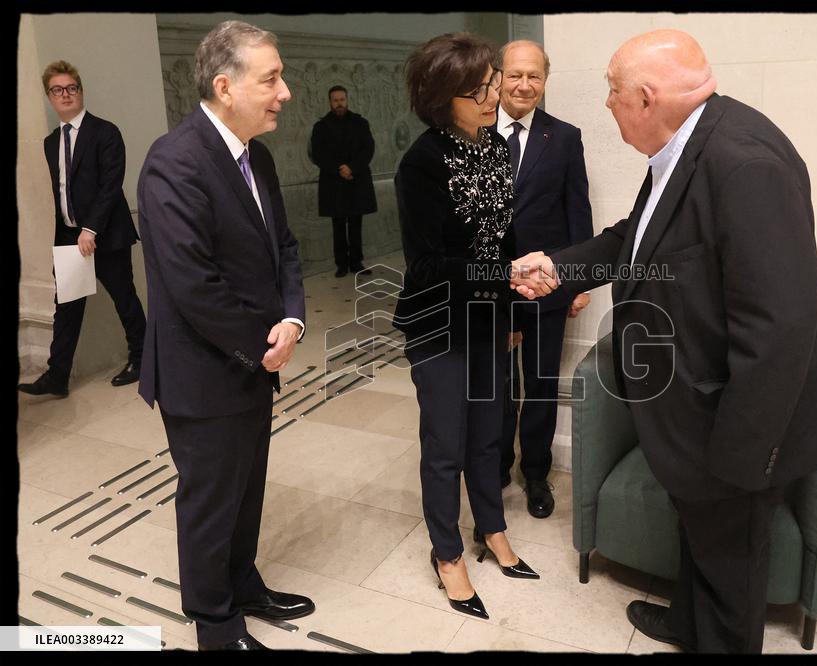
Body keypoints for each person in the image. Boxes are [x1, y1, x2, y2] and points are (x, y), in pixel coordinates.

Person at [511, 29, 817, 653]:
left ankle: (714, 637)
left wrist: (739, 462)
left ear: (645, 97)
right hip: (697, 410)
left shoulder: (743, 163)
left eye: (612, 93)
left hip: (739, 424)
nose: (607, 105)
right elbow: (634, 237)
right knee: (702, 538)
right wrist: (562, 267)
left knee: (730, 561)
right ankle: (688, 622)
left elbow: (780, 328)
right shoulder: (686, 145)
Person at [136, 21, 313, 650]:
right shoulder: (174, 162)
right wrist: (262, 345)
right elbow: (194, 287)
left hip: (253, 359)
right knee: (211, 501)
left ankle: (242, 582)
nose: (285, 92)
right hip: (204, 370)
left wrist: (291, 321)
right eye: (271, 78)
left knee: (247, 487)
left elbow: (283, 251)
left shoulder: (255, 156)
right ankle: (215, 622)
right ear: (224, 85)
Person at [393, 32, 540, 621]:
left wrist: (512, 295)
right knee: (445, 443)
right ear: (441, 96)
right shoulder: (421, 164)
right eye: (476, 89)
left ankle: (492, 527)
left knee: (489, 429)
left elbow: (502, 235)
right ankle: (447, 552)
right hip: (439, 319)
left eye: (491, 83)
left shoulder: (493, 148)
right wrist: (501, 271)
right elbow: (427, 263)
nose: (492, 95)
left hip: (490, 314)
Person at [494, 40, 594, 518]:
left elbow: (579, 213)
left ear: (545, 80)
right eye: (515, 75)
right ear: (498, 77)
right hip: (488, 288)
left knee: (538, 384)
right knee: (492, 384)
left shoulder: (565, 137)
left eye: (533, 76)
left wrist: (577, 283)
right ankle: (494, 466)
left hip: (547, 287)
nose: (524, 85)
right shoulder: (472, 134)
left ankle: (536, 473)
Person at [18, 60, 147, 397]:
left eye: (71, 88)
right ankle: (57, 376)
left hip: (106, 234)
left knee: (124, 298)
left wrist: (90, 229)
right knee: (67, 306)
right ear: (50, 96)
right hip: (69, 236)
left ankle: (143, 358)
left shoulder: (106, 132)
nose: (65, 95)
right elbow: (63, 192)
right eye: (58, 90)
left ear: (80, 91)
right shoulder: (50, 143)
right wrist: (69, 233)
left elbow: (110, 185)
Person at [309, 84, 377, 277]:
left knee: (356, 224)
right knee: (338, 225)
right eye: (335, 100)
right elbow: (318, 154)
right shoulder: (320, 127)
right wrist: (340, 169)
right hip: (334, 182)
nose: (339, 103)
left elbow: (368, 148)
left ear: (347, 100)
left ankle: (356, 262)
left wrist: (352, 168)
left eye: (342, 99)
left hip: (356, 180)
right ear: (330, 102)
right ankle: (341, 265)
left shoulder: (360, 123)